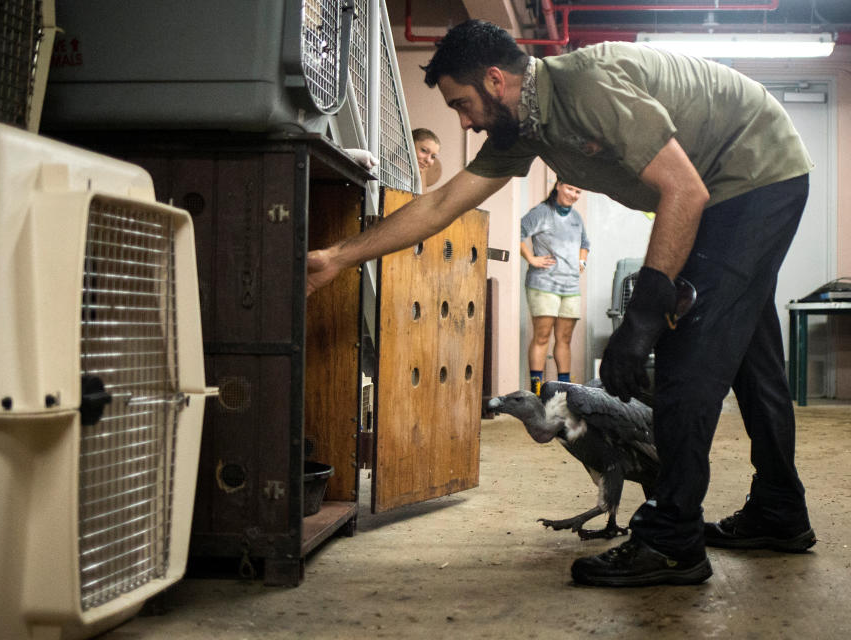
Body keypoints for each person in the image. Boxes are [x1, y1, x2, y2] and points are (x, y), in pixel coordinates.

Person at [307, 20, 815, 587]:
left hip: (752, 175)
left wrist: (645, 318)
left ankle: (672, 539)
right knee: (754, 359)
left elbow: (685, 191)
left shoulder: (586, 87)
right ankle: (779, 510)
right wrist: (338, 257)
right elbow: (441, 204)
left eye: (462, 104)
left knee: (687, 360)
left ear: (496, 81)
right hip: (729, 187)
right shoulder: (525, 129)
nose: (465, 122)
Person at [520, 178, 589, 387]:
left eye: (578, 191)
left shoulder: (577, 217)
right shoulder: (541, 212)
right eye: (570, 188)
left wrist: (582, 260)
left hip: (570, 287)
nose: (573, 194)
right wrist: (531, 258)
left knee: (564, 339)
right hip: (544, 285)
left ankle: (564, 389)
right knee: (542, 336)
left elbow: (585, 243)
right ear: (558, 185)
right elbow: (518, 232)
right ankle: (537, 389)